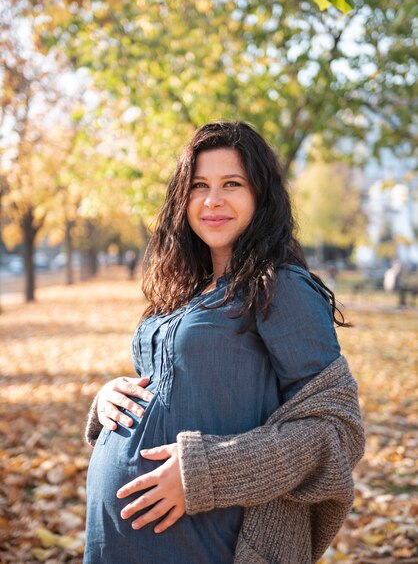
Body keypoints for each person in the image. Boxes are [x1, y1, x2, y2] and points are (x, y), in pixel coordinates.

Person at [83, 121, 365, 564]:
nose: (213, 200)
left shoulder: (280, 287)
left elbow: (337, 431)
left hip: (209, 541)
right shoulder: (186, 289)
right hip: (119, 543)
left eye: (231, 184)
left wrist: (207, 471)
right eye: (199, 186)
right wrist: (107, 400)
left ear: (260, 195)